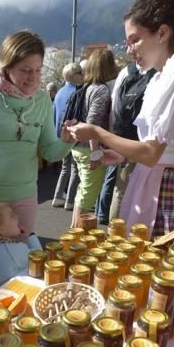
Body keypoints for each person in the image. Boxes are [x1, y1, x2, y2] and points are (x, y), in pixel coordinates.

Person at [68, 0, 174, 237]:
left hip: (162, 190)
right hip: (168, 182)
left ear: (162, 33)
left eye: (135, 39)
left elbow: (150, 152)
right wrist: (121, 156)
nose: (130, 50)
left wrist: (97, 132)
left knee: (149, 265)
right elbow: (165, 149)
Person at [0, 30, 72, 234]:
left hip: (26, 194)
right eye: (26, 70)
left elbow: (50, 152)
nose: (33, 78)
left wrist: (66, 141)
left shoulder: (43, 99)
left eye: (38, 70)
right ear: (7, 67)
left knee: (22, 257)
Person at [99, 61, 155, 224]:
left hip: (123, 138)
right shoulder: (159, 73)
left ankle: (114, 234)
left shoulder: (126, 72)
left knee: (121, 190)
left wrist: (113, 137)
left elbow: (114, 108)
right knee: (142, 191)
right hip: (146, 140)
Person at [70, 48, 118, 227]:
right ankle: (76, 238)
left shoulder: (86, 88)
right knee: (87, 196)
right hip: (89, 148)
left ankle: (74, 234)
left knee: (82, 193)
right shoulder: (102, 90)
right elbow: (93, 123)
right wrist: (95, 153)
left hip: (77, 147)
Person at [0, 202, 42, 287]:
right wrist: (31, 235)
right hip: (16, 289)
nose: (17, 216)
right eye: (11, 216)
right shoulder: (12, 249)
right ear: (2, 229)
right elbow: (39, 256)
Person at [52, 62, 84, 210]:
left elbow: (54, 116)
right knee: (75, 169)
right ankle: (70, 201)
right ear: (73, 75)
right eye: (80, 72)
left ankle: (58, 196)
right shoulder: (78, 92)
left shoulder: (59, 92)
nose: (83, 75)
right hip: (73, 135)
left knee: (65, 168)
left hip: (60, 135)